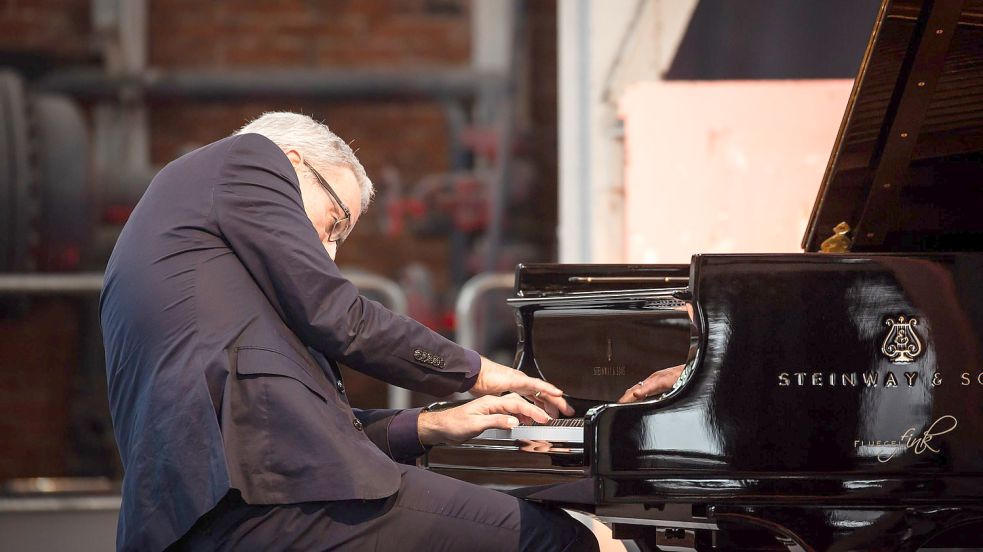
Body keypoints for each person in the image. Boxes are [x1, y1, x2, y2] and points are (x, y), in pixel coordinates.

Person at [100, 112, 599, 552]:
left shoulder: (211, 270)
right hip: (261, 499)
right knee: (554, 538)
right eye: (336, 223)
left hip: (216, 502)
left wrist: (428, 425)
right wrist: (477, 372)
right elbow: (340, 317)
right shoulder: (248, 160)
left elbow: (297, 423)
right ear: (294, 162)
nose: (331, 251)